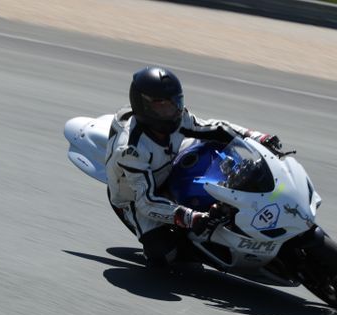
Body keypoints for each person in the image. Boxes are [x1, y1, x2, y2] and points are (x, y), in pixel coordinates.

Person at [105, 66, 281, 268]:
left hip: (170, 168)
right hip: (134, 197)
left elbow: (215, 128)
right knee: (166, 255)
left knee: (224, 160)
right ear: (144, 107)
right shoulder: (132, 150)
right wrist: (190, 217)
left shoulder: (178, 118)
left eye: (175, 102)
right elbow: (146, 201)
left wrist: (256, 137)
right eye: (163, 106)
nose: (173, 111)